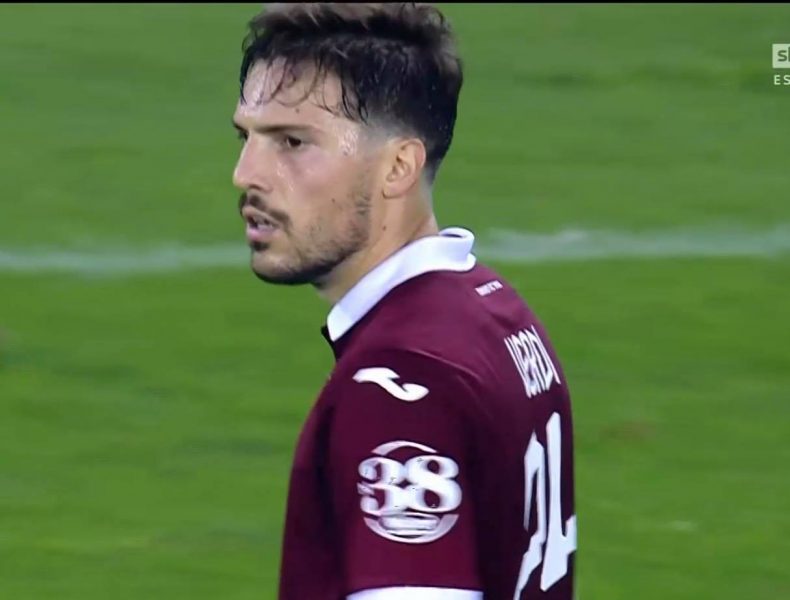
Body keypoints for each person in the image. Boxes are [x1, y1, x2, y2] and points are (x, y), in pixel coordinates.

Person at [231, 4, 576, 599]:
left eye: (292, 142)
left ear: (397, 167)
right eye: (247, 137)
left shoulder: (399, 385)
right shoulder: (494, 310)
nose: (246, 174)